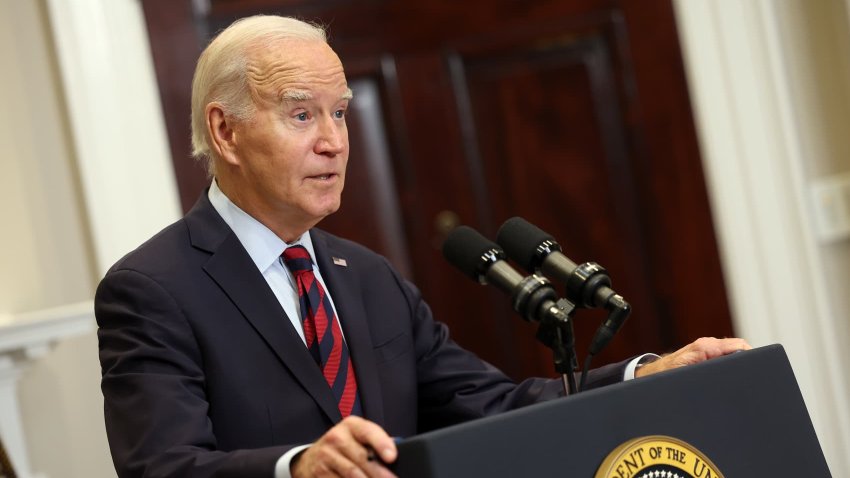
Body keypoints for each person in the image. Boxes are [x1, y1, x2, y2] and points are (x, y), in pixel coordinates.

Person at [95, 14, 751, 478]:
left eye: (341, 112)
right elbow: (163, 466)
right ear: (226, 132)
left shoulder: (367, 275)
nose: (333, 140)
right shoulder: (154, 289)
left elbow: (491, 404)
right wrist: (297, 467)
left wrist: (643, 377)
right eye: (302, 114)